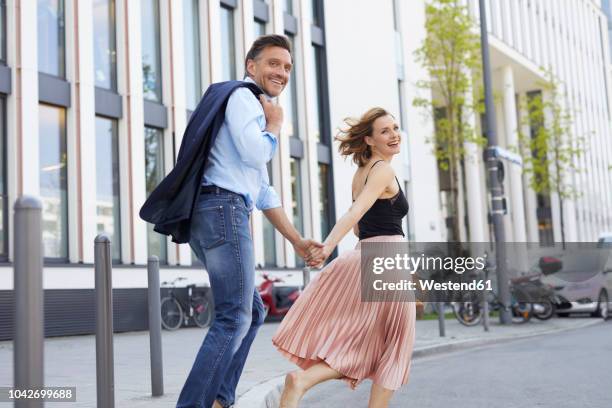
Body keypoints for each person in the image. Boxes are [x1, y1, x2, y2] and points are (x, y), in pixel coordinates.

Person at [175, 35, 322, 408]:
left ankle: (221, 399)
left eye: (287, 67)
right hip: (223, 211)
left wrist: (295, 239)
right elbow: (256, 153)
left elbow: (262, 190)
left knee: (251, 312)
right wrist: (273, 126)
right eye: (273, 63)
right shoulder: (244, 98)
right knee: (234, 318)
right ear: (251, 65)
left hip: (214, 212)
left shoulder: (247, 103)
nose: (282, 72)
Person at [272, 108, 416, 408]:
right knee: (395, 348)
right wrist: (326, 246)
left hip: (367, 257)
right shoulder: (383, 171)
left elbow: (363, 228)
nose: (394, 135)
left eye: (395, 128)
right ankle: (303, 381)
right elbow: (356, 214)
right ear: (370, 140)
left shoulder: (361, 173)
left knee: (370, 345)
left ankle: (302, 381)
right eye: (385, 131)